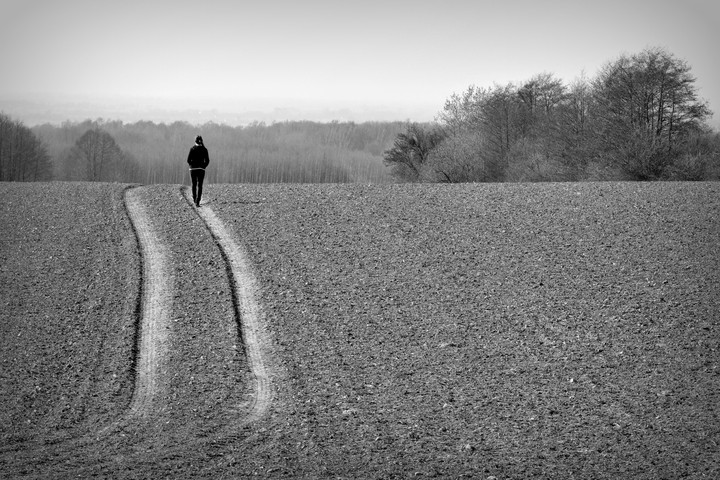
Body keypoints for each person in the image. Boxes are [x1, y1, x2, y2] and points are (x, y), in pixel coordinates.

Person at [187, 135, 209, 207]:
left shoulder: (192, 149)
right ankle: (198, 201)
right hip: (201, 169)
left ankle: (194, 198)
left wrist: (192, 165)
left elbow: (188, 160)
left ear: (195, 141)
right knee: (200, 185)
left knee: (194, 184)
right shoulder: (205, 149)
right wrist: (203, 166)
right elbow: (207, 160)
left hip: (193, 169)